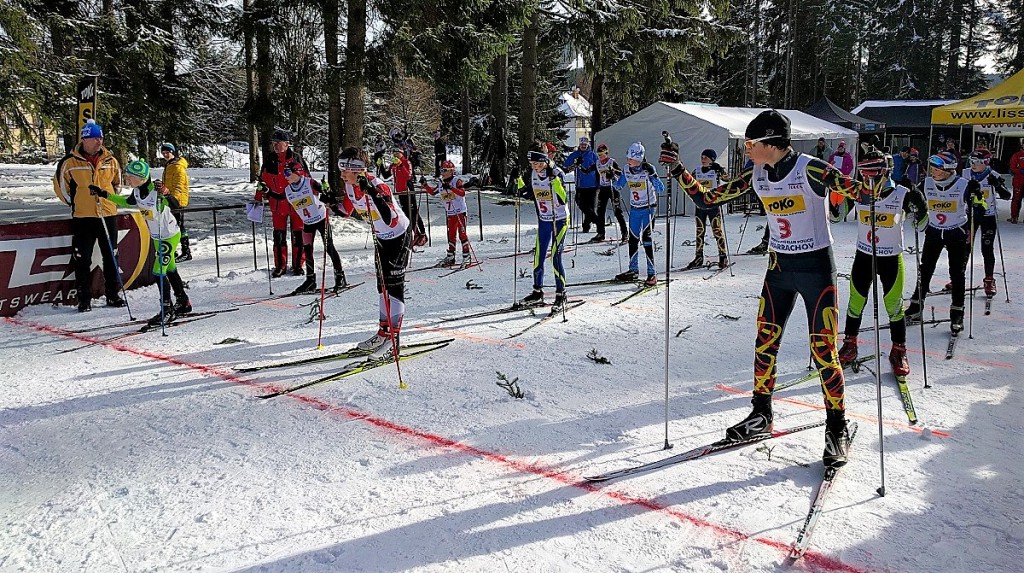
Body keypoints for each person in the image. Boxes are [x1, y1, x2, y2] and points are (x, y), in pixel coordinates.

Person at [667, 109, 872, 468]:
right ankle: (761, 413)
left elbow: (862, 194)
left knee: (824, 351)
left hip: (815, 269)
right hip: (779, 268)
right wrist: (678, 169)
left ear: (771, 143)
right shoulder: (756, 173)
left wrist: (872, 176)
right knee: (765, 344)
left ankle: (836, 427)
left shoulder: (811, 169)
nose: (746, 149)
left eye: (751, 143)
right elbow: (708, 200)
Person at [835, 151, 928, 376]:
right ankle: (850, 344)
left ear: (885, 172)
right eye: (864, 175)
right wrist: (832, 199)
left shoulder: (902, 193)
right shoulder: (858, 193)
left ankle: (898, 350)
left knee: (894, 306)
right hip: (864, 256)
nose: (869, 181)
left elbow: (923, 225)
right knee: (856, 302)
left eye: (873, 176)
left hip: (890, 259)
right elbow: (837, 217)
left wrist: (920, 204)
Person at [89, 160, 191, 325]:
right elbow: (126, 203)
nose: (127, 180)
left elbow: (175, 205)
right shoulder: (136, 192)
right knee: (170, 268)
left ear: (141, 178)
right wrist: (103, 194)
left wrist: (166, 193)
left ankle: (167, 309)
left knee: (158, 271)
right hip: (157, 236)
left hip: (169, 235)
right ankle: (183, 301)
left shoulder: (154, 191)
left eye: (130, 177)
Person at [336, 147, 411, 356]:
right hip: (381, 238)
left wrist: (372, 192)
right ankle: (383, 333)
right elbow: (345, 211)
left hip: (398, 236)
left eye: (345, 168)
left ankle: (394, 342)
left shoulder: (378, 185)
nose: (341, 173)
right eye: (340, 167)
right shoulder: (349, 185)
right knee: (382, 286)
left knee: (394, 288)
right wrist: (325, 200)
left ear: (357, 170)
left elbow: (390, 218)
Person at [904, 151, 982, 333]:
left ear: (948, 170)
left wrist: (977, 195)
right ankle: (916, 306)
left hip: (956, 232)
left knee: (957, 273)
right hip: (934, 231)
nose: (932, 171)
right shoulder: (927, 183)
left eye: (936, 168)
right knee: (925, 268)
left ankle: (957, 313)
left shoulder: (963, 184)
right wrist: (910, 194)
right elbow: (915, 203)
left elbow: (979, 208)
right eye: (932, 167)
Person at [52, 119, 126, 312]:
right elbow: (62, 188)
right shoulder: (70, 162)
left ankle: (113, 294)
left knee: (111, 255)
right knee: (82, 257)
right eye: (94, 138)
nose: (99, 142)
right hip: (83, 217)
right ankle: (84, 298)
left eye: (100, 138)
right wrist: (76, 202)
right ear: (85, 139)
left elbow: (118, 184)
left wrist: (110, 200)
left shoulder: (111, 160)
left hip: (107, 214)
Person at [517, 142, 570, 310]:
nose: (536, 167)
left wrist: (555, 183)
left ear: (546, 160)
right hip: (544, 220)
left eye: (539, 164)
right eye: (533, 164)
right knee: (538, 256)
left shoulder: (556, 173)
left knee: (555, 256)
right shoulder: (532, 173)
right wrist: (517, 180)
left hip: (559, 220)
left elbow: (563, 199)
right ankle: (537, 291)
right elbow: (526, 193)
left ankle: (561, 294)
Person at [282, 162, 347, 295]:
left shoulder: (309, 183)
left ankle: (340, 277)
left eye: (288, 173)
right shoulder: (288, 190)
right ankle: (310, 280)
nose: (285, 176)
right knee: (308, 250)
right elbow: (277, 197)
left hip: (322, 219)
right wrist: (266, 191)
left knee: (329, 248)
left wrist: (327, 190)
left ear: (297, 172)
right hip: (307, 222)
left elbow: (328, 195)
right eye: (284, 173)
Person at [255, 129, 308, 277]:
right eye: (274, 143)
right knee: (279, 237)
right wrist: (259, 196)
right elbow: (262, 180)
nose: (276, 146)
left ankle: (298, 265)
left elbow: (307, 179)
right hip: (277, 204)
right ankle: (280, 266)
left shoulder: (296, 159)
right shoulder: (269, 159)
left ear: (287, 144)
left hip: (296, 204)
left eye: (279, 143)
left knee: (298, 236)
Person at [612, 142, 664, 286]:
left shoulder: (648, 169)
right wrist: (612, 178)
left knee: (647, 239)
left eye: (632, 159)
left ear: (640, 159)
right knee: (633, 239)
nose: (629, 161)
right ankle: (633, 270)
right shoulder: (626, 169)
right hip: (635, 209)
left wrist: (653, 174)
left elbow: (660, 188)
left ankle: (652, 273)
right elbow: (618, 186)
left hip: (648, 208)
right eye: (628, 158)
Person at [963, 150, 1011, 297]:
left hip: (988, 217)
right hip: (970, 216)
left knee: (987, 248)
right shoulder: (965, 173)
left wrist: (997, 185)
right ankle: (958, 278)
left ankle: (989, 279)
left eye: (978, 162)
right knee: (964, 247)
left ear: (986, 163)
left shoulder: (993, 174)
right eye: (971, 162)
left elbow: (1007, 196)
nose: (974, 165)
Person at [685, 149, 730, 270]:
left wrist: (721, 169)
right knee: (700, 231)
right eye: (702, 157)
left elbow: (728, 179)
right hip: (700, 206)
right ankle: (698, 257)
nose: (703, 159)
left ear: (712, 159)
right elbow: (689, 182)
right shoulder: (697, 171)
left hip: (713, 205)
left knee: (717, 231)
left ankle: (723, 256)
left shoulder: (716, 170)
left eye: (706, 157)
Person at [423, 160, 472, 267]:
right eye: (441, 170)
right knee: (451, 235)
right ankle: (450, 256)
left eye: (444, 170)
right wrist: (425, 185)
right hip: (450, 213)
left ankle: (466, 256)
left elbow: (462, 193)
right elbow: (432, 192)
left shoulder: (456, 180)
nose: (442, 172)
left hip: (460, 212)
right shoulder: (441, 182)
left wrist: (451, 188)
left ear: (451, 171)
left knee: (462, 234)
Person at [385, 145, 427, 248]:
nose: (395, 155)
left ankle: (422, 234)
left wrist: (400, 165)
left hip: (408, 189)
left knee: (413, 212)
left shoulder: (406, 162)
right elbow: (386, 175)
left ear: (401, 153)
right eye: (393, 153)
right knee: (406, 213)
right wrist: (380, 165)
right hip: (400, 191)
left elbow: (409, 176)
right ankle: (415, 233)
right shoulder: (394, 164)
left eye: (397, 153)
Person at [564, 137, 601, 242]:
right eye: (582, 145)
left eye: (585, 145)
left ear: (588, 145)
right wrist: (575, 162)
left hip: (593, 185)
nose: (583, 146)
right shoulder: (576, 154)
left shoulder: (593, 155)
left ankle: (586, 225)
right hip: (580, 185)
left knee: (591, 207)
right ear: (579, 145)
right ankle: (598, 222)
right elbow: (566, 163)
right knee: (581, 204)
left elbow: (599, 168)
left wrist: (599, 183)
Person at [160, 143, 191, 261]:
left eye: (168, 152)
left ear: (173, 152)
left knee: (179, 225)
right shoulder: (169, 165)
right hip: (169, 199)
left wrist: (175, 200)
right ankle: (174, 250)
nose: (165, 155)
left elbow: (180, 185)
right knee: (172, 225)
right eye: (163, 153)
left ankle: (186, 251)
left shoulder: (178, 166)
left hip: (177, 201)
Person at [594, 143, 627, 243]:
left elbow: (621, 173)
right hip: (603, 189)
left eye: (602, 154)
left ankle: (625, 234)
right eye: (599, 154)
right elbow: (593, 173)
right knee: (600, 212)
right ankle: (601, 233)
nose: (600, 156)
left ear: (606, 153)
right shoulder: (597, 163)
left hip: (612, 187)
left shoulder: (611, 161)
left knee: (617, 212)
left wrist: (613, 171)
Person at [1009, 139, 1024, 224]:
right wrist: (1019, 171)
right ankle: (1014, 217)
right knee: (1016, 200)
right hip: (1018, 181)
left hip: (1019, 179)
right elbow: (1012, 167)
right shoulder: (1017, 155)